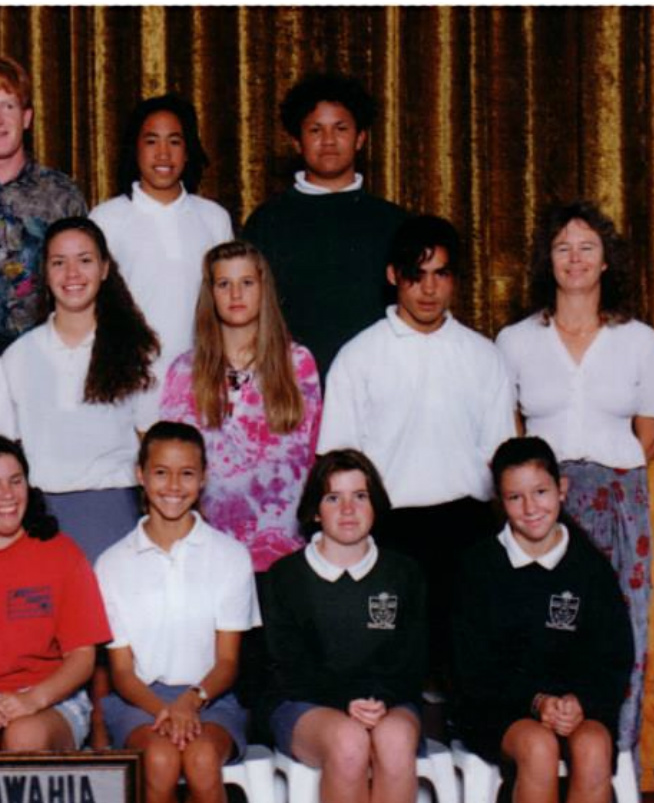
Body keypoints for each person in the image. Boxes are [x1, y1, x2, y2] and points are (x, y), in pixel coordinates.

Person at [496, 201, 654, 803]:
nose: (575, 259)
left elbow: (648, 434)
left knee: (622, 647)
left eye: (587, 247)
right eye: (563, 247)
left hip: (619, 505)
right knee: (538, 639)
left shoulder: (640, 341)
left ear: (606, 261)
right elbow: (510, 433)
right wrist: (548, 494)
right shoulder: (515, 341)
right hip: (541, 508)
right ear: (548, 260)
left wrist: (601, 484)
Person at [452, 437, 634, 803]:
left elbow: (614, 655)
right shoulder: (480, 567)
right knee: (537, 745)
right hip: (501, 708)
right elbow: (472, 667)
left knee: (595, 746)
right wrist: (536, 703)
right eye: (515, 497)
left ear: (562, 489)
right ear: (500, 502)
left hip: (575, 706)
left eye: (541, 492)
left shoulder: (589, 566)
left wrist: (580, 702)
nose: (530, 507)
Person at [318, 213, 514, 686]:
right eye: (416, 274)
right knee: (393, 668)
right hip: (390, 529)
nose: (428, 289)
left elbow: (500, 455)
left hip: (467, 528)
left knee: (463, 667)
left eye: (440, 274)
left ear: (455, 279)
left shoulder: (483, 356)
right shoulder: (359, 355)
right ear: (393, 276)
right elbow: (339, 460)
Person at [95, 421, 260, 803]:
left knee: (204, 758)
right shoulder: (113, 563)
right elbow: (122, 672)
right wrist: (164, 710)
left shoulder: (229, 556)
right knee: (162, 760)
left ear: (204, 478)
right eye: (161, 472)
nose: (173, 485)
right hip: (139, 699)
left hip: (212, 694)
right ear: (140, 476)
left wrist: (194, 700)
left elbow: (228, 661)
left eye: (186, 473)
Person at [263, 449, 426, 803]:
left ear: (376, 505)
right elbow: (284, 666)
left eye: (360, 496)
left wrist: (380, 698)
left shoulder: (404, 573)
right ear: (315, 510)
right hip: (306, 704)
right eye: (334, 498)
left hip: (385, 700)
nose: (349, 510)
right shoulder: (284, 578)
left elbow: (415, 657)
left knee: (395, 741)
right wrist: (343, 701)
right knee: (350, 743)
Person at [0, 216, 159, 563]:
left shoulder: (137, 351)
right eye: (59, 262)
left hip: (117, 512)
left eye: (84, 260)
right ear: (45, 272)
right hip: (42, 517)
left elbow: (152, 441)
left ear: (104, 269)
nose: (72, 274)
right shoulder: (17, 358)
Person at [159, 239, 322, 572]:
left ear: (263, 289)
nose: (236, 294)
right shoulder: (184, 371)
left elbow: (315, 457)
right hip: (208, 555)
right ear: (210, 293)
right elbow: (172, 463)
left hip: (284, 554)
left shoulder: (297, 363)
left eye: (246, 282)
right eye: (224, 284)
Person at [243, 73, 407, 384]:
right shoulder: (267, 221)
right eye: (315, 130)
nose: (329, 140)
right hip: (288, 386)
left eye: (341, 129)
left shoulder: (394, 222)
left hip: (376, 382)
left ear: (360, 138)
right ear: (297, 141)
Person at [90, 93, 233, 382]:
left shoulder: (214, 218)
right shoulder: (105, 220)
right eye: (152, 141)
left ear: (188, 151)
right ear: (135, 149)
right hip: (128, 381)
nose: (163, 153)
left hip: (200, 380)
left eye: (175, 141)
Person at [0, 436, 110, 752]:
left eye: (16, 481)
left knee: (24, 736)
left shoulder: (61, 553)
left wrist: (33, 699)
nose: (7, 494)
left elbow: (82, 658)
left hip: (51, 698)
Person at [0, 56, 87, 354]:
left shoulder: (60, 194)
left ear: (26, 118)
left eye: (8, 106)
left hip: (42, 358)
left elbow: (87, 283)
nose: (0, 119)